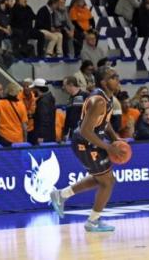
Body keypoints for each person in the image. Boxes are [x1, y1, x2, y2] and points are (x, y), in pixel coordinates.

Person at [50, 66, 125, 232]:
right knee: (107, 182)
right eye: (114, 76)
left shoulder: (107, 97)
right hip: (86, 142)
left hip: (92, 141)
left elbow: (104, 122)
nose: (117, 78)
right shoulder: (99, 101)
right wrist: (108, 147)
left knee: (103, 180)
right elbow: (85, 130)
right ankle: (92, 221)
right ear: (104, 82)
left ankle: (61, 195)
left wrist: (115, 139)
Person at [29, 79, 56, 144]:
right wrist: (33, 115)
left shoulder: (43, 102)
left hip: (44, 136)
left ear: (37, 89)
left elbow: (44, 119)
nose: (32, 91)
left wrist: (41, 135)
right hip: (49, 133)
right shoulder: (49, 98)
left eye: (34, 89)